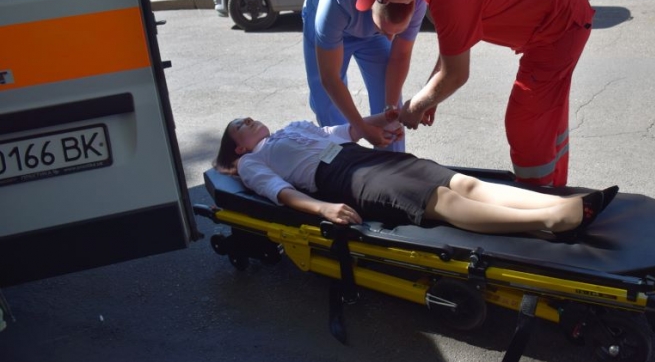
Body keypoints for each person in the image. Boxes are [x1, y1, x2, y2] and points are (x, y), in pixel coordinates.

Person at [353, 0, 595, 188]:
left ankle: (541, 203)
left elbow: (456, 74)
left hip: (559, 27)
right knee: (546, 118)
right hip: (556, 16)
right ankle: (554, 188)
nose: (385, 1)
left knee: (526, 124)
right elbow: (453, 46)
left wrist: (415, 107)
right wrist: (430, 95)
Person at [214, 115, 617, 237]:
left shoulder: (293, 127)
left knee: (463, 183)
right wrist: (322, 208)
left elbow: (348, 130)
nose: (248, 120)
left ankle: (563, 205)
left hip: (361, 155)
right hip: (341, 178)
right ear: (238, 147)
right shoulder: (253, 161)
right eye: (240, 125)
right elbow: (278, 192)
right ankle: (547, 221)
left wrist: (387, 118)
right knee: (442, 202)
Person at [302, 0, 426, 151]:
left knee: (388, 95)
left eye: (396, 33)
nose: (391, 39)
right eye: (385, 31)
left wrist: (390, 111)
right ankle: (343, 160)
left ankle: (394, 166)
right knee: (326, 103)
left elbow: (400, 56)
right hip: (334, 23)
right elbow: (329, 77)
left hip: (371, 26)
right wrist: (362, 129)